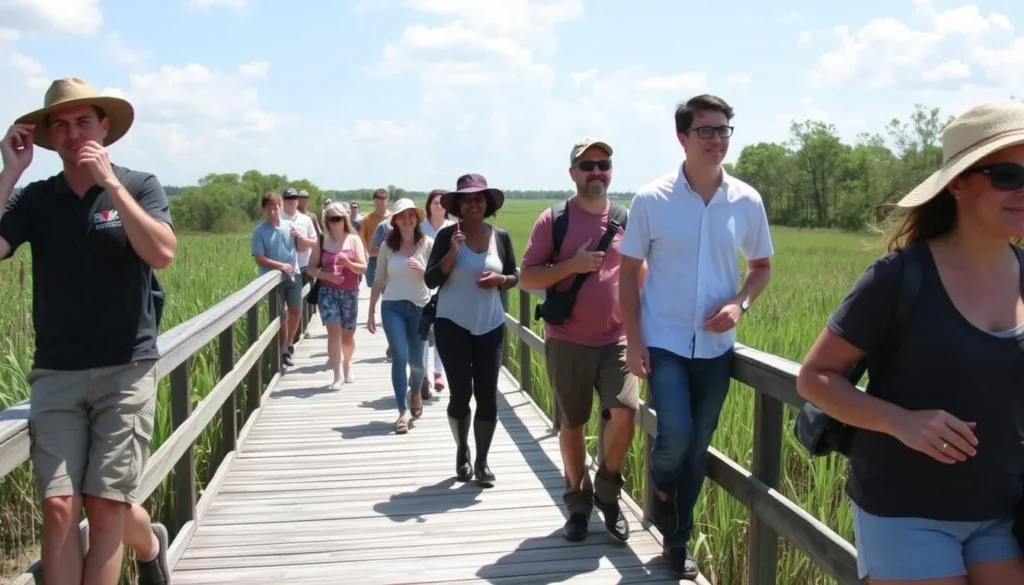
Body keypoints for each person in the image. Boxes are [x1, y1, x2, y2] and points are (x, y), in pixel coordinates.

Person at [797, 100, 1024, 584]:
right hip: (907, 510)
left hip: (1005, 510)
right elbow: (815, 378)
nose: (1022, 191)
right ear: (958, 183)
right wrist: (901, 422)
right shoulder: (899, 277)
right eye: (1008, 175)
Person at [0, 77, 174, 585]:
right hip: (57, 370)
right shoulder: (36, 199)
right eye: (61, 124)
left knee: (103, 506)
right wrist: (9, 172)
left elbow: (161, 252)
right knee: (58, 506)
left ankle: (145, 542)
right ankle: (150, 539)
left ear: (104, 127)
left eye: (83, 122)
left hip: (126, 367)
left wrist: (112, 186)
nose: (74, 134)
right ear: (50, 137)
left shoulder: (139, 185)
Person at [619, 94, 774, 579]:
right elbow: (627, 275)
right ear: (682, 137)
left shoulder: (746, 201)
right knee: (675, 438)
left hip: (715, 350)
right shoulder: (652, 199)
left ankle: (676, 540)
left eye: (724, 130)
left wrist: (739, 303)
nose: (717, 139)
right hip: (663, 340)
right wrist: (636, 340)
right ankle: (661, 489)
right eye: (705, 130)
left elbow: (761, 267)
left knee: (698, 445)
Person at [520, 138, 639, 543]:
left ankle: (607, 491)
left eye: (603, 164)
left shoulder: (627, 219)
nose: (597, 172)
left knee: (625, 411)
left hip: (618, 340)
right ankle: (577, 501)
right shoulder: (553, 220)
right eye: (587, 165)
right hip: (567, 338)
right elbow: (528, 277)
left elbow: (643, 279)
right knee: (573, 423)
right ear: (573, 172)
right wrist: (571, 265)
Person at [425, 174, 519, 487]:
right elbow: (430, 280)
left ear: (487, 203)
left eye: (479, 198)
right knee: (460, 393)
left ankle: (482, 461)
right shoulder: (446, 236)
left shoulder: (500, 237)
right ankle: (462, 449)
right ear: (459, 207)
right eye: (467, 199)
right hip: (452, 324)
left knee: (488, 396)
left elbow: (514, 274)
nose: (474, 203)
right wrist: (452, 253)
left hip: (490, 324)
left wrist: (501, 281)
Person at [368, 198, 434, 434]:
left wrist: (424, 271)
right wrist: (371, 311)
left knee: (417, 364)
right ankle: (402, 411)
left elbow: (437, 278)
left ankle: (415, 390)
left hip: (420, 307)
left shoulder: (428, 244)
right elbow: (379, 279)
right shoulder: (387, 246)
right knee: (400, 356)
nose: (407, 219)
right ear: (394, 220)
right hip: (392, 307)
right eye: (402, 216)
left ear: (417, 219)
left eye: (411, 215)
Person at [308, 203, 366, 389]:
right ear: (327, 221)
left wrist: (349, 263)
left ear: (345, 219)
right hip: (327, 292)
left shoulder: (354, 240)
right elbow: (310, 268)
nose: (336, 222)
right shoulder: (321, 240)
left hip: (349, 292)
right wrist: (327, 276)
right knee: (334, 333)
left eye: (339, 218)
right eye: (332, 219)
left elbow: (364, 267)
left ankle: (347, 364)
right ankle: (336, 376)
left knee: (347, 335)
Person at [252, 191, 311, 367]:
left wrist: (299, 237)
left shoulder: (288, 226)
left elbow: (300, 249)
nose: (273, 212)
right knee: (280, 315)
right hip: (272, 279)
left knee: (295, 309)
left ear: (280, 207)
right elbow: (259, 258)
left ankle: (288, 343)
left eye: (275, 208)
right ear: (264, 210)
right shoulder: (259, 231)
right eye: (269, 209)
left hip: (294, 274)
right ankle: (283, 351)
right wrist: (280, 265)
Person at [420, 189, 453, 393]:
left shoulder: (452, 228)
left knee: (442, 330)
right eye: (435, 203)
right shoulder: (420, 229)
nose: (439, 206)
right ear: (428, 206)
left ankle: (439, 372)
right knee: (423, 330)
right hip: (422, 285)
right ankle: (423, 375)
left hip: (446, 286)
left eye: (442, 203)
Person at [281, 187, 318, 342]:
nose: (292, 202)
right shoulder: (278, 219)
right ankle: (287, 341)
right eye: (288, 199)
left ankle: (301, 331)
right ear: (283, 201)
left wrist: (303, 241)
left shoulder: (306, 219)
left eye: (294, 199)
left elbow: (316, 241)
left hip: (303, 265)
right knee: (286, 308)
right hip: (284, 269)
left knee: (302, 301)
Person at [359, 188, 391, 287]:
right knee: (374, 287)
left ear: (387, 201)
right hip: (373, 258)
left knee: (388, 288)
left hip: (390, 258)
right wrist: (364, 258)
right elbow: (361, 240)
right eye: (376, 198)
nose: (379, 201)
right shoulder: (366, 219)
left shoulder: (393, 217)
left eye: (382, 198)